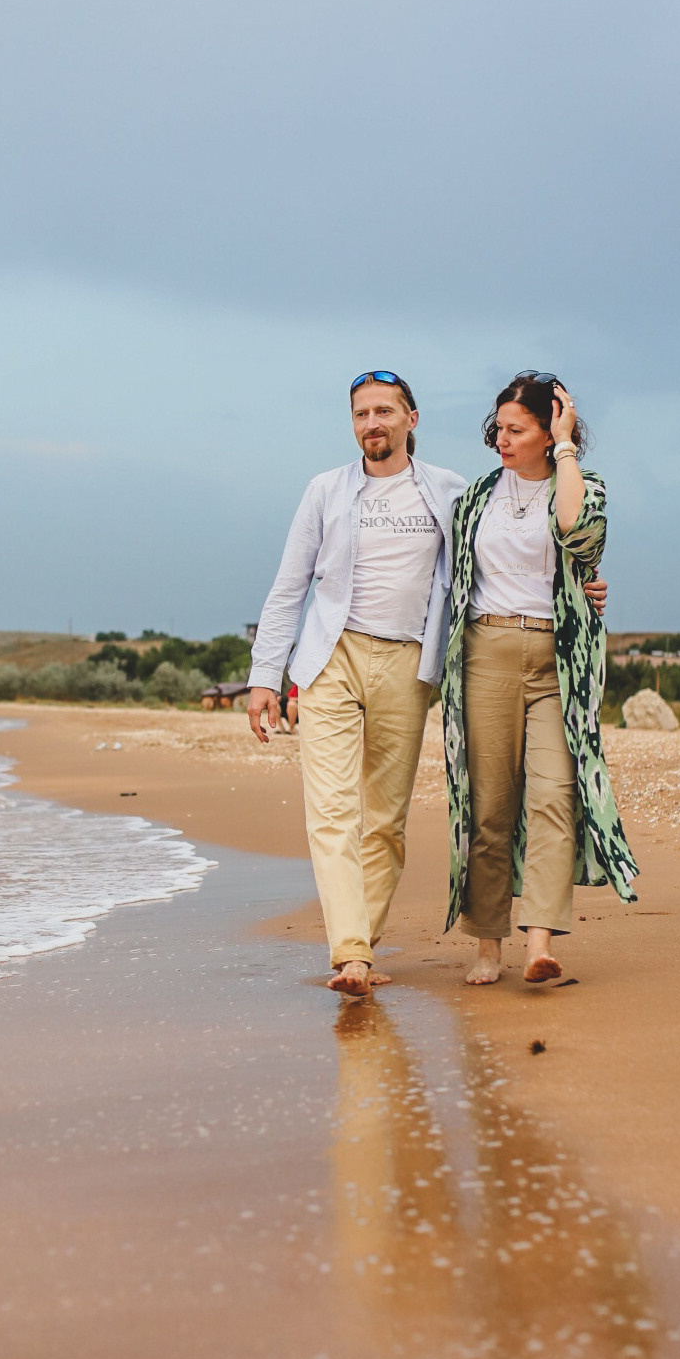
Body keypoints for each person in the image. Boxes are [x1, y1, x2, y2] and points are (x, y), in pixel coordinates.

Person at [248, 373, 466, 996]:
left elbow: (504, 543)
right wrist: (265, 676)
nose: (372, 423)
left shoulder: (448, 491)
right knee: (333, 810)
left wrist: (584, 581)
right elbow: (289, 586)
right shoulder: (325, 491)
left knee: (387, 821)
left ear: (411, 418)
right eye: (361, 414)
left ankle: (361, 940)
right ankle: (352, 955)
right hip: (330, 660)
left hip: (407, 664)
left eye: (384, 412)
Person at [440, 372, 637, 985]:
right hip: (485, 650)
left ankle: (541, 942)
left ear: (548, 431)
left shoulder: (583, 487)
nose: (502, 439)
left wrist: (568, 448)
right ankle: (487, 945)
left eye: (516, 429)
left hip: (559, 659)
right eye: (498, 428)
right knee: (491, 806)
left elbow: (580, 533)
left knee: (555, 797)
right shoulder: (474, 499)